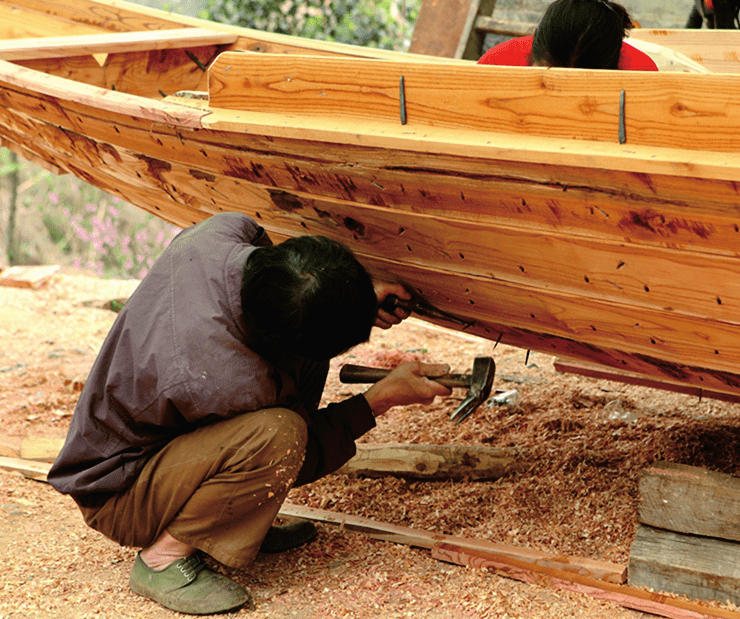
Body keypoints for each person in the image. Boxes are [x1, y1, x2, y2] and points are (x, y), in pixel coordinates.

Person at [47, 211, 452, 615]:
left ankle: (234, 519)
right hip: (120, 493)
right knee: (281, 432)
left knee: (306, 359)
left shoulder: (223, 233)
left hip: (160, 445)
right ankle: (163, 558)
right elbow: (299, 456)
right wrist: (378, 399)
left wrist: (353, 293)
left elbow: (297, 285)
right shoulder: (226, 382)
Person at [478, 0, 658, 71]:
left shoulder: (640, 74)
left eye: (582, 82)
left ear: (616, 61)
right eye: (549, 74)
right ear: (533, 44)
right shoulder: (499, 63)